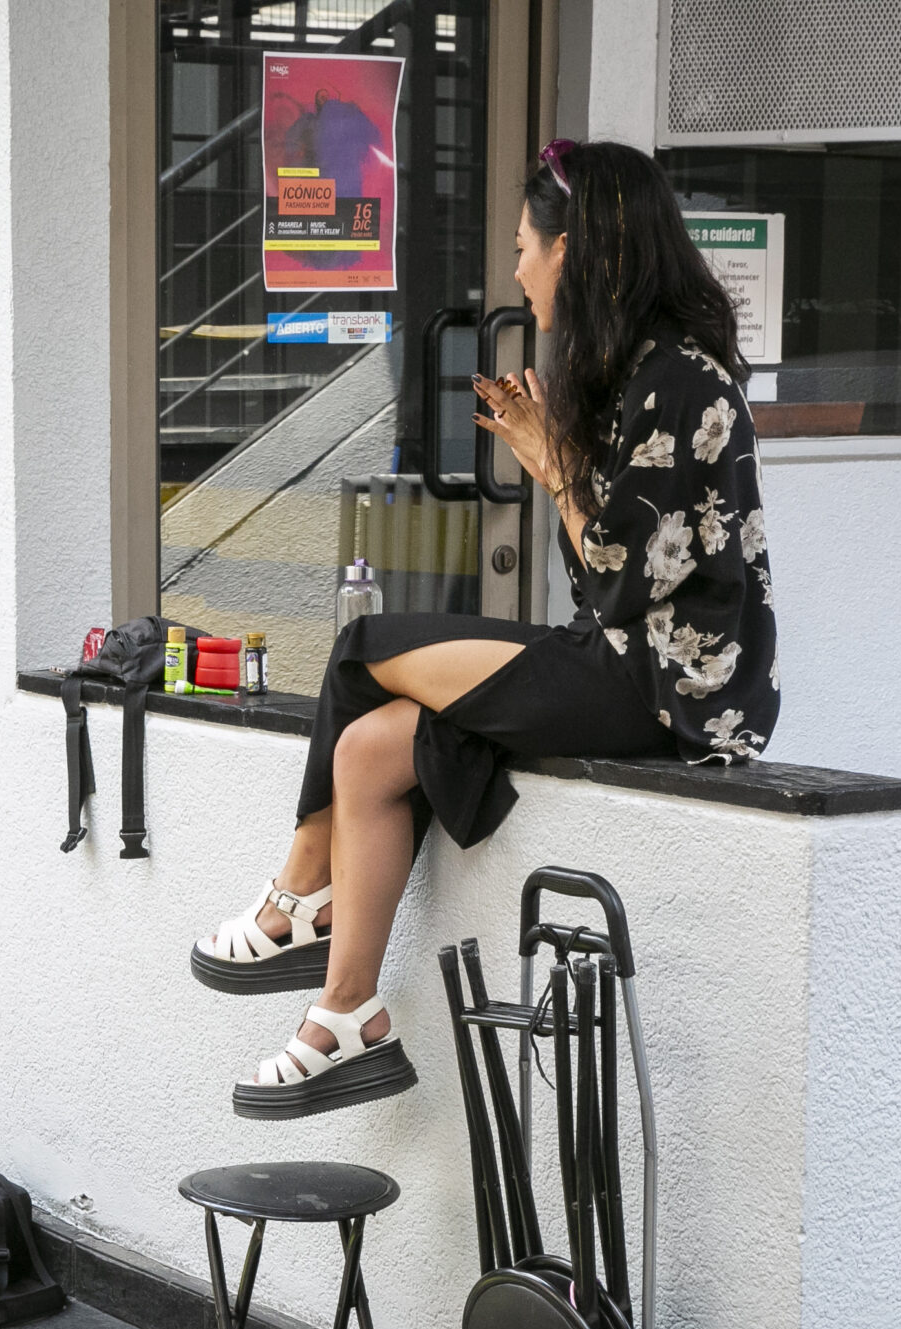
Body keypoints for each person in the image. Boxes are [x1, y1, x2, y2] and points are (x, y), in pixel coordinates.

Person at [192, 138, 780, 1120]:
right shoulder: (637, 374)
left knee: (360, 649)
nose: (517, 271)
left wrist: (552, 465)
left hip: (665, 694)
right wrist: (560, 462)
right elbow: (605, 579)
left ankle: (299, 890)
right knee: (372, 749)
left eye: (522, 249)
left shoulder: (679, 383)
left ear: (572, 250)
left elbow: (616, 582)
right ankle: (347, 1013)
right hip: (624, 661)